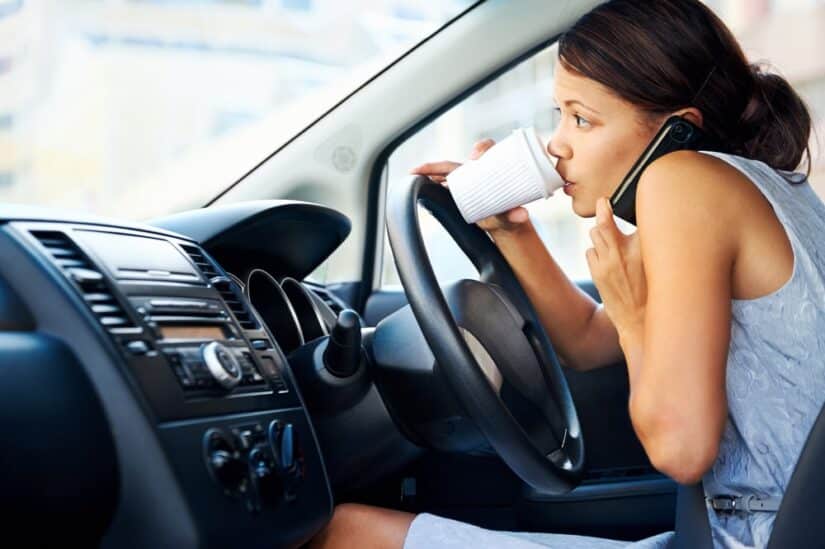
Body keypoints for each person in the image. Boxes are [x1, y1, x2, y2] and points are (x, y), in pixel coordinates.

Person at [309, 0, 823, 547]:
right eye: (559, 114)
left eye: (582, 118)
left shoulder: (680, 182)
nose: (557, 143)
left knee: (343, 534)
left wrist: (633, 319)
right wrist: (511, 230)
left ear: (676, 131)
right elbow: (587, 341)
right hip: (729, 533)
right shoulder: (744, 190)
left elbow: (681, 449)